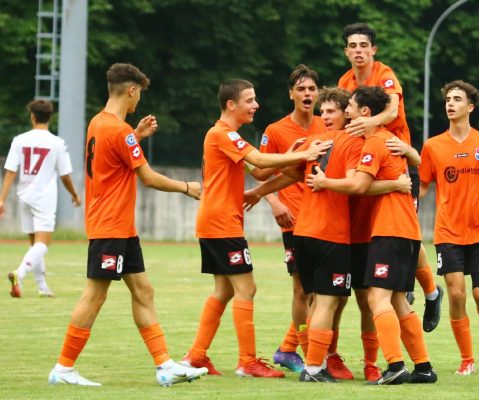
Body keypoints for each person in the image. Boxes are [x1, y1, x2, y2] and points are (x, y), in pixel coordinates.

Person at [48, 63, 208, 387]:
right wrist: (187, 187)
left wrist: (136, 136)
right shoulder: (120, 130)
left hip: (121, 226)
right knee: (95, 295)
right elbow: (147, 177)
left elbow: (112, 156)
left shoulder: (100, 123)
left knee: (143, 290)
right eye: (140, 94)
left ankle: (164, 366)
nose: (139, 102)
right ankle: (63, 368)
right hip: (110, 225)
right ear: (131, 90)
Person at [243, 87, 412, 383]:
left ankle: (315, 360)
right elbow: (356, 184)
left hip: (303, 231)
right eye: (324, 112)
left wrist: (259, 191)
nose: (325, 116)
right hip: (331, 235)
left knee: (319, 300)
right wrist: (396, 184)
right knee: (328, 302)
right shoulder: (352, 143)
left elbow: (289, 174)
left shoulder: (314, 142)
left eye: (331, 111)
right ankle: (313, 367)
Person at [180, 79, 331, 378]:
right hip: (222, 224)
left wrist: (291, 152)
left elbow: (261, 170)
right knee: (246, 288)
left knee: (223, 290)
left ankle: (196, 356)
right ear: (231, 105)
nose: (256, 105)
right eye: (249, 100)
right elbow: (260, 159)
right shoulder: (223, 134)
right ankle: (247, 362)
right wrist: (302, 154)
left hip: (217, 221)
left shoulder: (227, 135)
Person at [308, 86, 437, 385]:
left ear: (364, 112)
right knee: (399, 302)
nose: (347, 110)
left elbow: (358, 186)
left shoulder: (375, 143)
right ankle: (424, 367)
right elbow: (412, 162)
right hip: (406, 231)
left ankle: (394, 366)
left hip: (390, 230)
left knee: (377, 300)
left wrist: (325, 181)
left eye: (350, 105)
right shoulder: (389, 139)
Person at [338, 22, 443, 332]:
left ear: (373, 50)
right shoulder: (345, 81)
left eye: (363, 45)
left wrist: (366, 125)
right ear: (346, 51)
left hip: (396, 158)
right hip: (368, 158)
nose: (358, 50)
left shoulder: (385, 75)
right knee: (377, 230)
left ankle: (430, 291)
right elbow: (344, 118)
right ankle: (403, 286)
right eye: (352, 46)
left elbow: (393, 112)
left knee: (405, 230)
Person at [419, 80, 479, 375]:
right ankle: (467, 359)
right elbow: (423, 186)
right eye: (447, 99)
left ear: (470, 107)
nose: (450, 104)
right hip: (448, 231)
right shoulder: (433, 146)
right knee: (456, 295)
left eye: (456, 99)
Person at [249, 65, 326, 374]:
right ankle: (308, 354)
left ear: (318, 93)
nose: (307, 94)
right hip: (294, 220)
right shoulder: (276, 131)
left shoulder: (328, 124)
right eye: (301, 89)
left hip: (327, 220)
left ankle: (291, 349)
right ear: (291, 94)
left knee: (326, 292)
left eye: (312, 89)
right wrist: (273, 201)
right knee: (302, 290)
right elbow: (261, 171)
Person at [0, 99, 80, 298]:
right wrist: (74, 194)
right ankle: (19, 273)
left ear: (32, 116)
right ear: (50, 117)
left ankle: (42, 286)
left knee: (34, 244)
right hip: (44, 198)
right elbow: (65, 175)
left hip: (24, 196)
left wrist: (2, 199)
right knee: (43, 243)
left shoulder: (19, 140)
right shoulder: (57, 143)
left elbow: (10, 172)